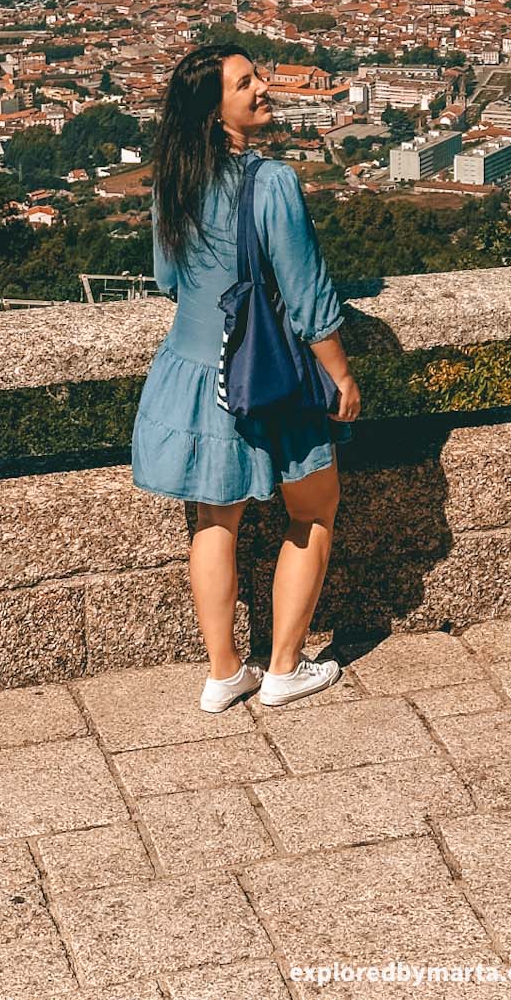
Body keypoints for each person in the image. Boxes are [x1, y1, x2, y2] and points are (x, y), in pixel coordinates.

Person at [131, 43, 362, 713]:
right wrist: (341, 376)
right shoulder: (272, 183)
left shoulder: (172, 179)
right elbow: (310, 297)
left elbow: (167, 280)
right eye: (246, 81)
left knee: (213, 521)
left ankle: (224, 672)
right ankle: (285, 669)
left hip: (195, 373)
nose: (264, 85)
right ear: (215, 109)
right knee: (313, 510)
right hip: (270, 381)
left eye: (256, 75)